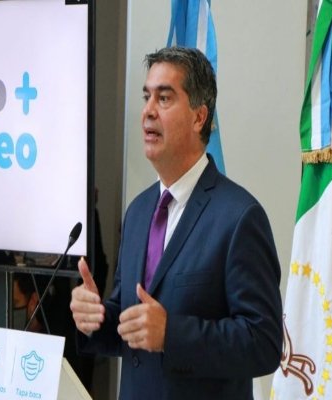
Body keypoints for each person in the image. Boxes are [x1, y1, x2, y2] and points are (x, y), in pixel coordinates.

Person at [70, 46, 283, 400]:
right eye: (147, 97)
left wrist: (172, 334)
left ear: (199, 117)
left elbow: (263, 343)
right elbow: (132, 319)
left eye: (164, 98)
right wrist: (95, 317)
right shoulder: (138, 211)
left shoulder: (240, 217)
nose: (148, 111)